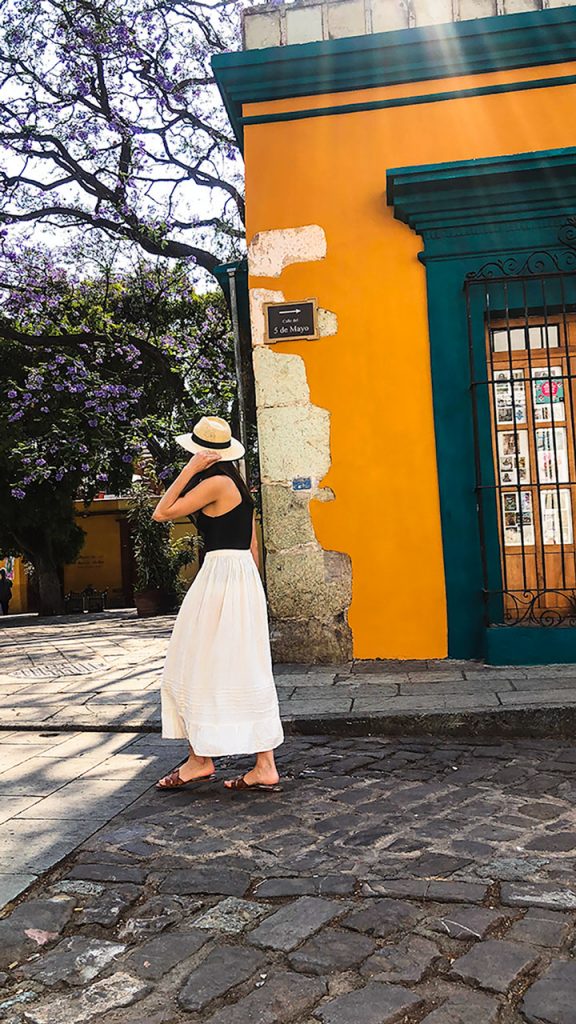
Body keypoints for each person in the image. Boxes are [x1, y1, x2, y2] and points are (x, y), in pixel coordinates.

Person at [153, 416, 284, 792]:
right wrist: (254, 593)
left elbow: (162, 512)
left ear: (201, 453)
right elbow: (253, 545)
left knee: (193, 662)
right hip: (241, 576)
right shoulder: (239, 486)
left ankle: (200, 760)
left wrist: (189, 469)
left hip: (220, 576)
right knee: (243, 665)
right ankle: (262, 764)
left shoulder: (214, 482)